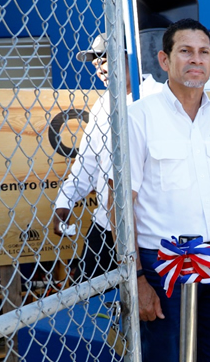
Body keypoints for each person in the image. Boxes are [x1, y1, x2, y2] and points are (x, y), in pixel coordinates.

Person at [126, 19, 210, 361]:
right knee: (166, 356)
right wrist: (138, 279)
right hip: (159, 264)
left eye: (204, 52)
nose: (196, 59)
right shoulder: (138, 117)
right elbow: (120, 203)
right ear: (164, 60)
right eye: (185, 51)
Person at [52, 33, 162, 279]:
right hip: (106, 226)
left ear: (131, 58)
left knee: (156, 310)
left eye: (104, 59)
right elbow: (86, 164)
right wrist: (64, 201)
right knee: (95, 307)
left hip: (154, 233)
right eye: (94, 62)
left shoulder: (162, 98)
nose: (98, 67)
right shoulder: (103, 106)